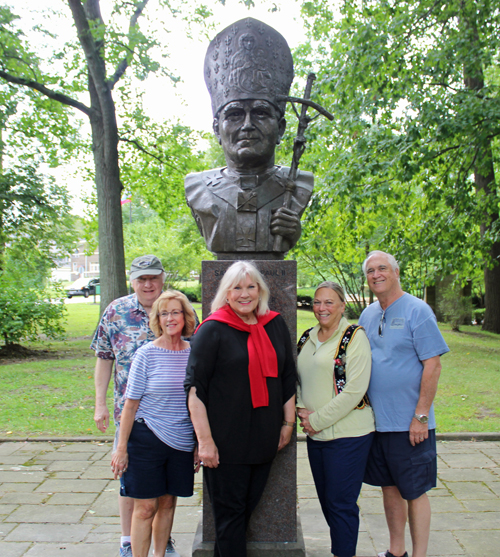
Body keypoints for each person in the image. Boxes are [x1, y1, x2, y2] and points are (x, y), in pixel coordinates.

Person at [185, 260, 297, 557]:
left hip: (264, 437)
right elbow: (196, 390)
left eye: (251, 286)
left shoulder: (274, 324)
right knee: (230, 517)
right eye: (237, 288)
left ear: (261, 290)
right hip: (225, 442)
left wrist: (287, 424)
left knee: (241, 515)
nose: (244, 293)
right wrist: (205, 442)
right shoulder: (212, 329)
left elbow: (287, 376)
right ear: (226, 292)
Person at [185, 18, 313, 260]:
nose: (247, 125)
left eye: (261, 113)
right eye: (234, 115)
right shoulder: (197, 187)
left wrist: (292, 230)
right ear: (217, 129)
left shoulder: (299, 184)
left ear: (282, 127)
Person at [358, 251, 449, 557]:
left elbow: (433, 364)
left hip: (410, 424)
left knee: (414, 491)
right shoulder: (367, 315)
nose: (376, 274)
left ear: (396, 272)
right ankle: (396, 552)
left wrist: (421, 416)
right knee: (389, 487)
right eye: (370, 270)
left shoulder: (417, 311)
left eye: (382, 268)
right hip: (375, 423)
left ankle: (419, 554)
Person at [91, 254, 181, 557]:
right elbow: (104, 359)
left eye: (153, 277)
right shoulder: (116, 312)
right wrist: (99, 405)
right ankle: (128, 541)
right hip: (128, 413)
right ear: (132, 280)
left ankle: (161, 542)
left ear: (162, 278)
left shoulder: (177, 310)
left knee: (166, 489)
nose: (148, 284)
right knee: (131, 479)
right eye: (142, 278)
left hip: (170, 415)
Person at [111, 291, 200, 557]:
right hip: (146, 439)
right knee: (146, 508)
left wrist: (198, 443)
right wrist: (121, 448)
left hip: (181, 440)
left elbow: (200, 403)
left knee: (167, 504)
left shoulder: (195, 354)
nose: (170, 318)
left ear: (185, 317)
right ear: (157, 320)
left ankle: (160, 554)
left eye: (176, 312)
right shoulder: (146, 355)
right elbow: (130, 404)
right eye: (164, 313)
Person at [296, 281, 375, 557]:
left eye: (329, 302)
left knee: (341, 504)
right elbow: (297, 379)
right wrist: (302, 409)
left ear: (342, 306)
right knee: (328, 504)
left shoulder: (355, 337)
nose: (322, 308)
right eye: (317, 302)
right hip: (316, 436)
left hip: (349, 436)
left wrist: (316, 420)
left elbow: (355, 390)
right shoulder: (307, 337)